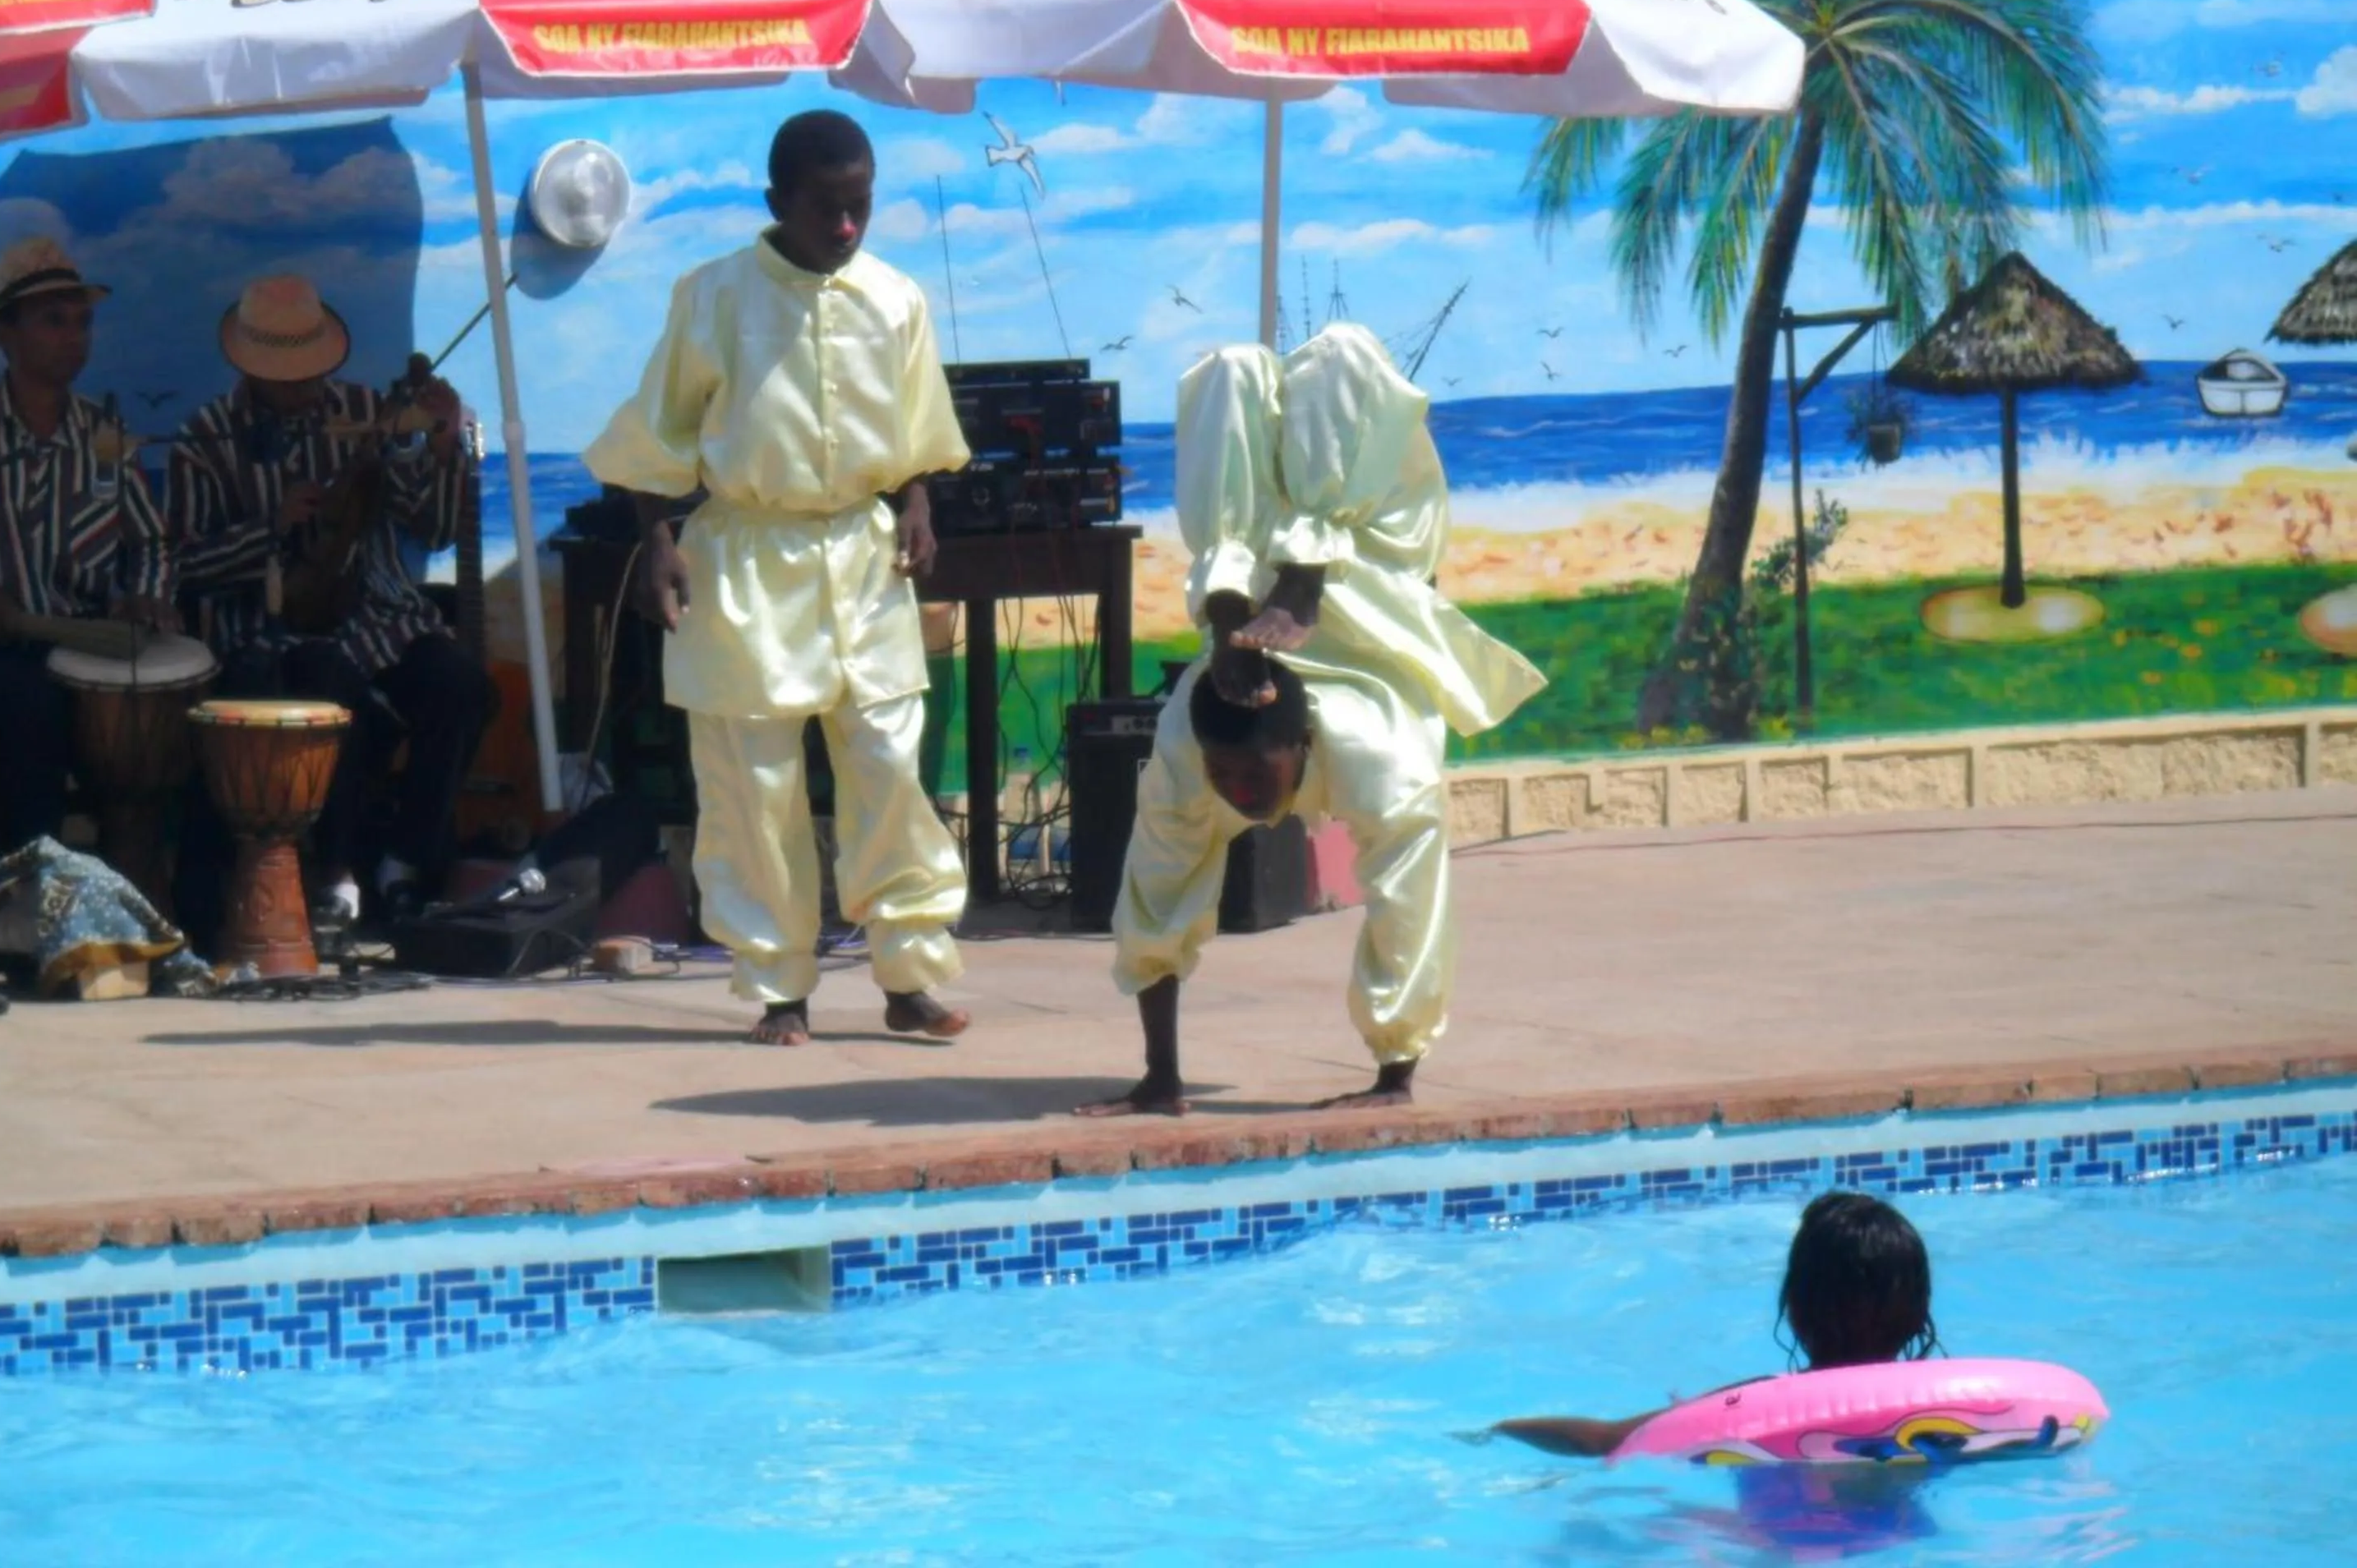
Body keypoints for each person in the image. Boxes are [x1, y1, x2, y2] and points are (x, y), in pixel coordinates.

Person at [1078, 326, 1544, 1115]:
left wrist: (1395, 1075)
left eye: (1252, 777)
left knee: (1343, 355)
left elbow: (1411, 916)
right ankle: (1235, 600)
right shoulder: (1187, 754)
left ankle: (1304, 574)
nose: (1241, 794)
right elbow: (1154, 903)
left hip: (1366, 595)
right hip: (1248, 603)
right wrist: (1160, 1077)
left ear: (1304, 748)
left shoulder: (1382, 757)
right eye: (1229, 779)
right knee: (1230, 370)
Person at [584, 109, 974, 1046]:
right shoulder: (713, 296)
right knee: (753, 784)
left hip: (863, 555)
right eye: (826, 208)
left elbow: (918, 431)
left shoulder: (897, 298)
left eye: (860, 206)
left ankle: (909, 974)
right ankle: (779, 989)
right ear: (777, 202)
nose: (845, 227)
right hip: (746, 558)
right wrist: (657, 541)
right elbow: (657, 435)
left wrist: (917, 502)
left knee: (888, 767)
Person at [163, 273, 492, 936]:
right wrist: (272, 527)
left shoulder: (366, 411)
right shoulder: (206, 437)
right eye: (287, 374)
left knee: (463, 686)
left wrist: (437, 449)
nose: (304, 385)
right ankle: (337, 874)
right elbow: (183, 566)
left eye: (311, 368)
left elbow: (432, 529)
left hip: (380, 617)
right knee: (327, 687)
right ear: (252, 368)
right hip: (271, 628)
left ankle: (407, 860)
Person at [0, 237, 177, 855]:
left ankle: (137, 875)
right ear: (5, 334)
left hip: (84, 643)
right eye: (54, 320)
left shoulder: (105, 437)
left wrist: (147, 596)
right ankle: (33, 877)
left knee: (161, 705)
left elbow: (152, 541)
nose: (74, 336)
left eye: (82, 322)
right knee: (31, 702)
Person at [1481, 1190, 1942, 1457]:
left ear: (1795, 1308)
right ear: (1918, 1315)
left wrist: (1501, 1428)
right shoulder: (1948, 1412)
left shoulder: (1751, 1406)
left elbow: (1605, 1441)